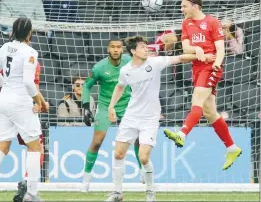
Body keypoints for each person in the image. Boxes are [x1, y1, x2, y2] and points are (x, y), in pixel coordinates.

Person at [106, 36, 215, 201]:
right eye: (142, 47)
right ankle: (117, 193)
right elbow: (120, 87)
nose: (146, 49)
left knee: (143, 157)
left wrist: (202, 56)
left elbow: (180, 58)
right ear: (134, 51)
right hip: (131, 116)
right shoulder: (125, 70)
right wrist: (111, 106)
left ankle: (150, 192)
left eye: (146, 46)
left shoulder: (154, 62)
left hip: (150, 118)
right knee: (119, 154)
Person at [163, 0, 242, 171]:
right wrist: (197, 48)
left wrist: (216, 63)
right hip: (196, 67)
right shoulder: (186, 23)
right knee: (209, 112)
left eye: (184, 6)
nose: (181, 9)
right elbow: (185, 46)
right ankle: (232, 148)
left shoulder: (213, 22)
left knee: (196, 100)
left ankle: (182, 134)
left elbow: (220, 48)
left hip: (211, 67)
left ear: (195, 6)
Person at [0, 17, 46, 202]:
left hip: (4, 100)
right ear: (30, 32)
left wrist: (6, 84)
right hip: (21, 102)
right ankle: (31, 193)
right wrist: (38, 101)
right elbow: (29, 84)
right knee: (35, 147)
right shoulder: (30, 52)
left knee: (1, 147)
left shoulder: (5, 47)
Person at [81, 39, 144, 192]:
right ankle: (86, 180)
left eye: (118, 47)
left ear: (122, 50)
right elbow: (86, 86)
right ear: (108, 49)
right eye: (112, 47)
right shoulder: (100, 67)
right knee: (97, 142)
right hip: (105, 107)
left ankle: (144, 175)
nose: (116, 50)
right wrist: (85, 107)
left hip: (127, 106)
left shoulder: (130, 62)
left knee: (137, 140)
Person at [0, 61, 49, 202]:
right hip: (25, 111)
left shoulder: (2, 59)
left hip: (6, 110)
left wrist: (1, 101)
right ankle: (28, 183)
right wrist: (42, 103)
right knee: (37, 148)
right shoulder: (31, 59)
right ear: (28, 37)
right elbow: (33, 88)